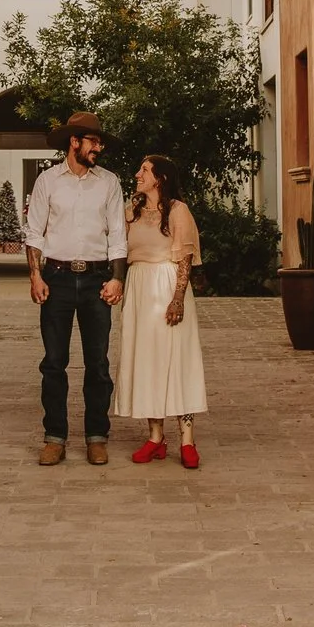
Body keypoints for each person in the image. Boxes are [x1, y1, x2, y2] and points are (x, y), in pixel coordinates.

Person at [24, 111, 126, 465]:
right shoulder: (48, 182)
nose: (99, 147)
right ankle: (55, 437)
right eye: (94, 141)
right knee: (54, 363)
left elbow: (117, 234)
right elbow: (34, 232)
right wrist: (36, 275)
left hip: (98, 280)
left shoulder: (109, 182)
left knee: (97, 363)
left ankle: (97, 436)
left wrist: (117, 277)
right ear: (74, 142)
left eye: (100, 142)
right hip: (57, 279)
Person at [114, 152, 208, 469]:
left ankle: (187, 439)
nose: (138, 174)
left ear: (160, 178)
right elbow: (116, 249)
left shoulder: (178, 211)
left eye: (145, 170)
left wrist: (178, 297)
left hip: (167, 284)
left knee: (177, 359)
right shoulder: (131, 211)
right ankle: (155, 437)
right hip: (139, 287)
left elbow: (184, 258)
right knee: (147, 360)